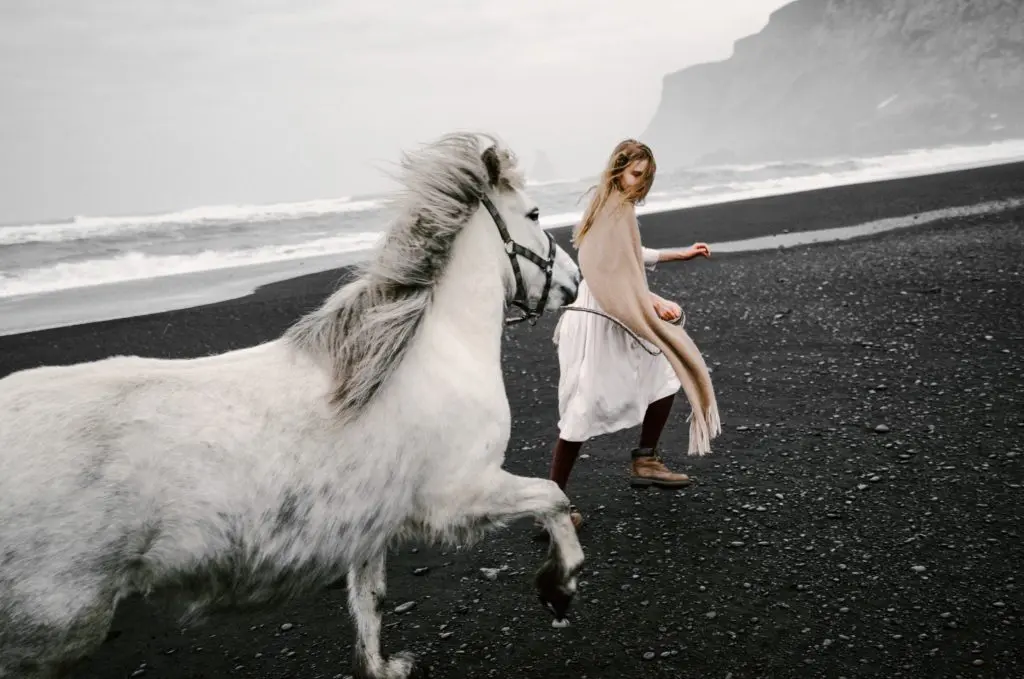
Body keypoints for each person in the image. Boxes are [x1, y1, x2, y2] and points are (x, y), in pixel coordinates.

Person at [546, 139, 721, 532]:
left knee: (665, 372)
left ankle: (646, 459)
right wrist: (649, 300)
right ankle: (552, 510)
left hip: (618, 302)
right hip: (602, 312)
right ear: (618, 168)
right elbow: (602, 270)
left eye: (647, 178)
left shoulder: (613, 204)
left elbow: (628, 255)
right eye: (636, 174)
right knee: (583, 405)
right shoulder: (610, 207)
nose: (641, 184)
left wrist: (680, 254)